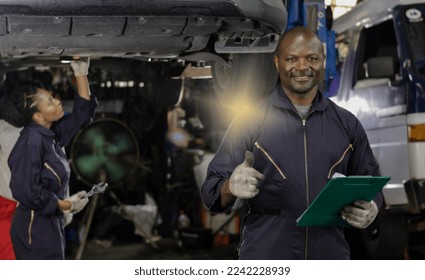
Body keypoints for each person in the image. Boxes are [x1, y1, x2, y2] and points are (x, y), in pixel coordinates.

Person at [201, 26, 383, 260]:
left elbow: (371, 182)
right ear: (277, 62)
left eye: (312, 58)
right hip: (267, 257)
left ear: (323, 61)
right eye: (291, 59)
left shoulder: (347, 124)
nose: (302, 67)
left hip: (329, 258)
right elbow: (210, 192)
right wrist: (230, 186)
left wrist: (373, 208)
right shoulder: (249, 121)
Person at [6, 57, 97, 260]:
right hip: (34, 228)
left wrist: (81, 74)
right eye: (50, 102)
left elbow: (81, 117)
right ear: (38, 117)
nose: (57, 101)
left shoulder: (50, 135)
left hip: (49, 223)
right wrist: (67, 205)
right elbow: (28, 192)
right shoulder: (31, 142)